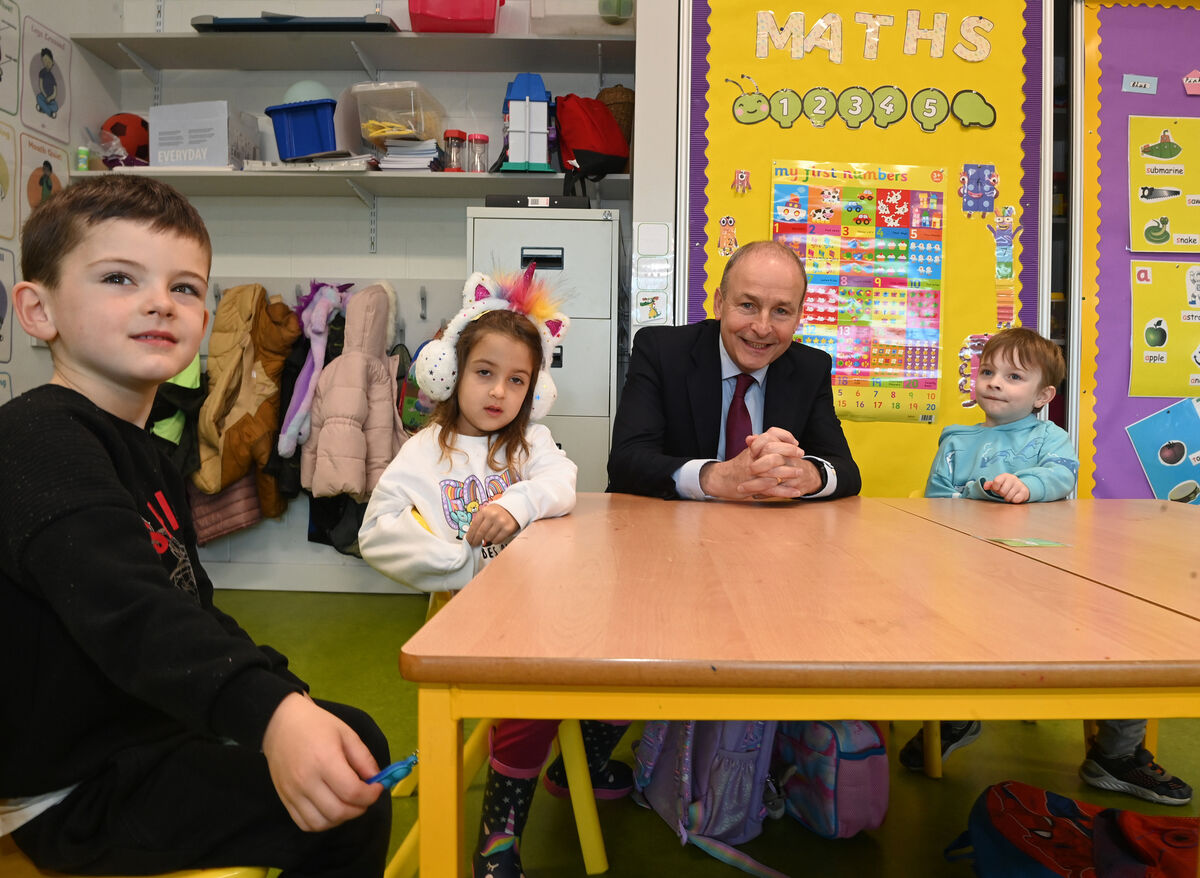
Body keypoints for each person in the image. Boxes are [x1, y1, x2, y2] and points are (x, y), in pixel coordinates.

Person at [1, 174, 392, 876]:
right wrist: (271, 715)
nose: (160, 301)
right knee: (348, 807)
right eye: (120, 277)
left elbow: (191, 607)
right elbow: (138, 616)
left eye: (185, 287)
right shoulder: (35, 441)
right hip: (69, 790)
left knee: (350, 740)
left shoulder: (147, 452)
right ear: (37, 309)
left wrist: (284, 699)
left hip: (144, 729)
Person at [359, 268, 632, 878]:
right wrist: (460, 563)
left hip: (541, 606)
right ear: (453, 374)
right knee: (532, 701)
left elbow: (562, 483)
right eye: (484, 373)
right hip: (472, 619)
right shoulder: (426, 449)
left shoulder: (531, 441)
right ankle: (498, 841)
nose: (498, 393)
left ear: (534, 391)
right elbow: (376, 531)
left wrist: (515, 503)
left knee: (629, 652)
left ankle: (578, 762)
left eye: (517, 381)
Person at [900, 327, 1191, 806]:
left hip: (1046, 583)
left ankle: (1116, 754)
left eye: (1013, 376)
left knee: (1130, 639)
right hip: (968, 579)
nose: (994, 382)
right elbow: (937, 502)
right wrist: (966, 498)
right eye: (988, 371)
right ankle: (956, 713)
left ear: (1043, 396)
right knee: (940, 627)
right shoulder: (955, 439)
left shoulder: (1050, 438)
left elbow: (1060, 475)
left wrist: (1026, 486)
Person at [607, 239, 860, 501]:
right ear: (719, 304)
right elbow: (625, 463)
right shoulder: (661, 352)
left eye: (781, 311)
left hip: (767, 534)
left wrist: (808, 473)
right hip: (672, 528)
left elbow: (847, 471)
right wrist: (717, 477)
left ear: (798, 318)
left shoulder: (811, 368)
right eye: (748, 306)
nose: (762, 328)